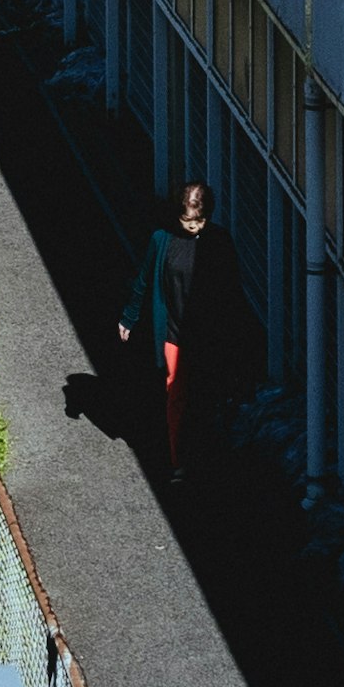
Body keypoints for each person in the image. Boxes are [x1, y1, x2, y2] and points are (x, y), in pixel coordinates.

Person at [119, 174, 217, 476]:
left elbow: (228, 291)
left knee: (201, 395)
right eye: (188, 221)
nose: (193, 227)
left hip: (203, 335)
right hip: (173, 332)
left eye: (199, 222)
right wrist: (129, 317)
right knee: (175, 393)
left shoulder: (218, 243)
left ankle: (202, 452)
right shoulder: (162, 240)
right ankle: (178, 460)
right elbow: (144, 278)